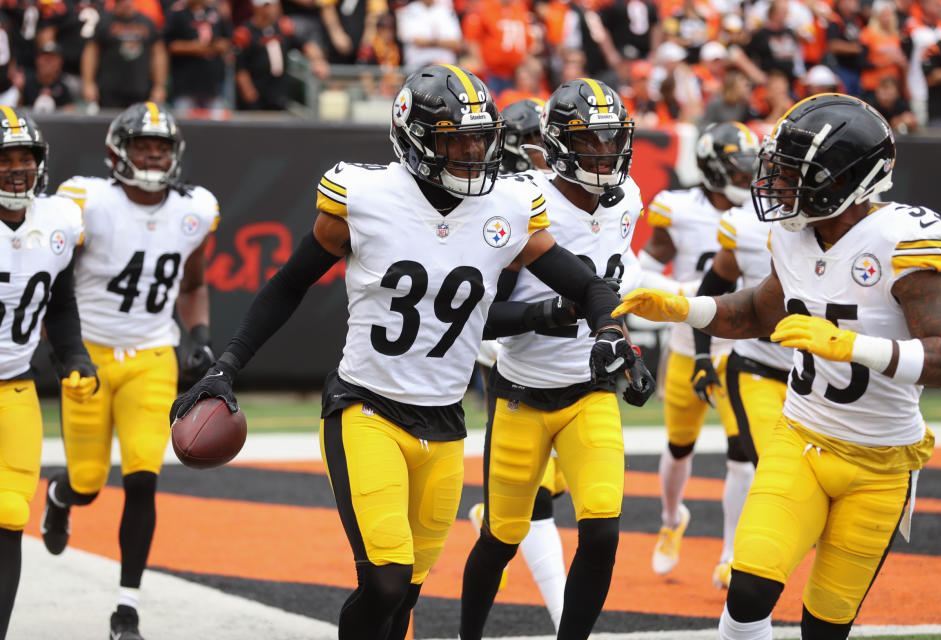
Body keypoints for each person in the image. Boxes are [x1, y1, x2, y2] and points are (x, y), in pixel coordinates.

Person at [168, 64, 635, 640]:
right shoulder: (364, 196)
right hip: (366, 406)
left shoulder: (510, 207)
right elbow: (289, 283)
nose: (472, 153)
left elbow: (588, 285)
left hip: (444, 421)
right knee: (384, 581)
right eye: (455, 140)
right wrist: (225, 366)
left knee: (405, 596)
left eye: (479, 138)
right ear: (414, 140)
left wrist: (609, 330)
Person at [614, 93, 941, 639]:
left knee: (824, 626)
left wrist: (855, 347)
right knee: (749, 589)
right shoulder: (791, 236)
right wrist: (686, 306)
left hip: (882, 464)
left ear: (848, 180)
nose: (778, 183)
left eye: (799, 172)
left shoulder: (900, 241)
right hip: (801, 438)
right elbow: (754, 310)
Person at [460, 78, 655, 640]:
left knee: (601, 530)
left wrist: (623, 349)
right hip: (520, 391)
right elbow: (480, 317)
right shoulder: (522, 202)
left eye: (612, 139)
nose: (605, 152)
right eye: (591, 140)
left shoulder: (630, 199)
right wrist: (537, 316)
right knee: (500, 537)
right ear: (560, 144)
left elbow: (611, 291)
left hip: (588, 392)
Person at [41, 102, 220, 640]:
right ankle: (61, 495)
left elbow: (192, 286)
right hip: (90, 355)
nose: (152, 155)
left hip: (152, 355)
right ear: (119, 150)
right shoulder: (86, 202)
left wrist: (200, 338)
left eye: (161, 147)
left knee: (144, 478)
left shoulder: (196, 210)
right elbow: (52, 279)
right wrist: (63, 347)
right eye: (144, 145)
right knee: (90, 483)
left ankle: (127, 610)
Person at [633, 122, 755, 584]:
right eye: (739, 170)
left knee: (741, 451)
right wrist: (685, 293)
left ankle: (730, 552)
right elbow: (639, 269)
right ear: (714, 169)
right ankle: (670, 521)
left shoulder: (761, 215)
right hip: (689, 346)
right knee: (679, 447)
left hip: (743, 349)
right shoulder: (678, 209)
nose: (747, 178)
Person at [467, 96, 566, 632]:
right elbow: (486, 301)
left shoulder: (557, 195)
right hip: (507, 352)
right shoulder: (499, 195)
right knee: (539, 494)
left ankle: (496, 516)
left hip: (560, 356)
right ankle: (563, 617)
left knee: (559, 483)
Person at [0, 106, 95, 640]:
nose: (17, 169)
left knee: (11, 515)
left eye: (25, 158)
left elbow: (59, 305)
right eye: (5, 159)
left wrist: (74, 356)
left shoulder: (57, 220)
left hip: (15, 390)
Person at [688, 123, 795, 588]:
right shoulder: (746, 227)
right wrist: (700, 356)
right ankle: (744, 558)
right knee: (768, 469)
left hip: (815, 374)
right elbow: (712, 290)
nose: (769, 179)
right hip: (756, 364)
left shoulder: (864, 233)